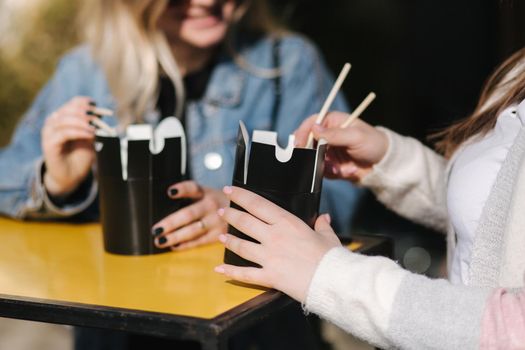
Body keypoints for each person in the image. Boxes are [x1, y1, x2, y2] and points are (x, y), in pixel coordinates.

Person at [215, 47, 525, 349]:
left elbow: (513, 328)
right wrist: (389, 161)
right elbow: (499, 218)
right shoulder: (516, 73)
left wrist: (332, 276)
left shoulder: (291, 58)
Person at [0, 0, 361, 249]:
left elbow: (339, 202)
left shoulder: (289, 63)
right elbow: (8, 178)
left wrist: (243, 216)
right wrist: (56, 182)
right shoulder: (84, 72)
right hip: (118, 327)